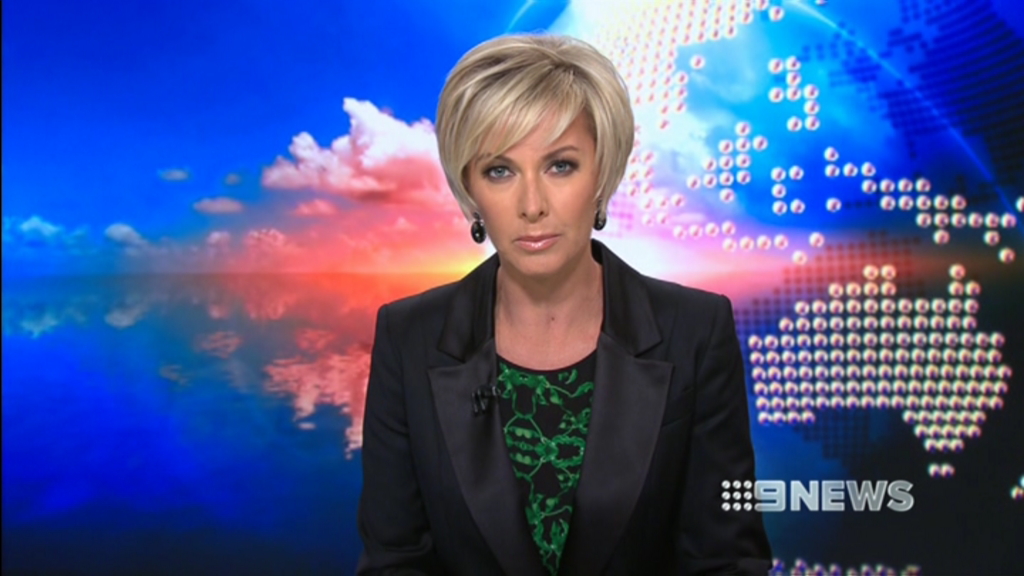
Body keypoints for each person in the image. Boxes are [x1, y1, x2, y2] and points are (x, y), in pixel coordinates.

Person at [356, 33, 772, 576]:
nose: (532, 205)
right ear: (470, 188)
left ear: (601, 173)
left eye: (560, 166)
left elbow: (726, 560)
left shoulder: (695, 331)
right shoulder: (408, 337)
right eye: (500, 171)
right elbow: (395, 561)